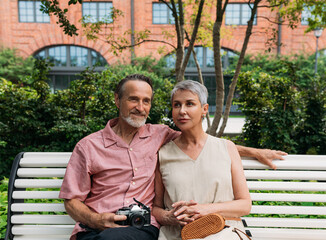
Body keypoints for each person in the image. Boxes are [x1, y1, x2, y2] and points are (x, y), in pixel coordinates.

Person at [59, 74, 286, 240]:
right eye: (133, 99)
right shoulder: (88, 146)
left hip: (139, 229)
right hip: (94, 229)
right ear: (117, 101)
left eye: (146, 101)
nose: (140, 107)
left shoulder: (159, 136)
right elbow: (71, 200)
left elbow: (203, 142)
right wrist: (97, 220)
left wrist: (254, 151)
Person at [153, 80, 251, 240]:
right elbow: (156, 208)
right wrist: (169, 216)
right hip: (179, 234)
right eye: (176, 105)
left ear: (204, 109)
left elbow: (245, 205)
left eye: (189, 104)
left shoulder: (227, 148)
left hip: (223, 231)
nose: (182, 111)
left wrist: (205, 210)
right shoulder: (163, 154)